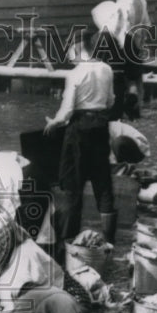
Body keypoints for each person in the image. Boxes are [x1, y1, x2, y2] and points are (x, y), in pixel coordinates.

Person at [44, 30, 116, 248]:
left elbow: (67, 111)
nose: (68, 56)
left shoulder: (75, 74)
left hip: (79, 129)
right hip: (101, 127)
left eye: (69, 52)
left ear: (77, 48)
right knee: (103, 183)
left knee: (72, 184)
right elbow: (111, 101)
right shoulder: (107, 69)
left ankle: (69, 239)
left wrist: (53, 122)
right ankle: (109, 240)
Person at [110, 0, 151, 120]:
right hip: (137, 42)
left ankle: (121, 111)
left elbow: (117, 27)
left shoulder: (122, 3)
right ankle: (136, 110)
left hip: (126, 41)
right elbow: (147, 23)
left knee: (122, 77)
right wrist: (142, 42)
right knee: (135, 78)